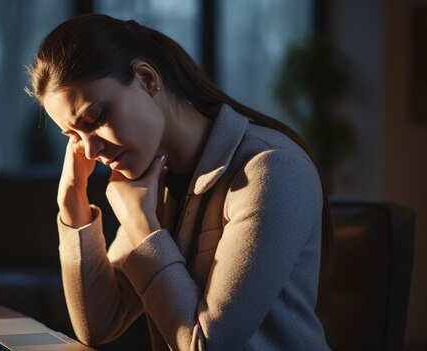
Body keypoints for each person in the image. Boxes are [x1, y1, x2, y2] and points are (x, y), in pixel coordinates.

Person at [26, 13, 331, 351]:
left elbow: (206, 346)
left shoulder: (270, 169)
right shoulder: (155, 177)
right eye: (73, 137)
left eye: (95, 118)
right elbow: (98, 324)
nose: (91, 150)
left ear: (146, 79)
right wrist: (71, 201)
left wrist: (144, 228)